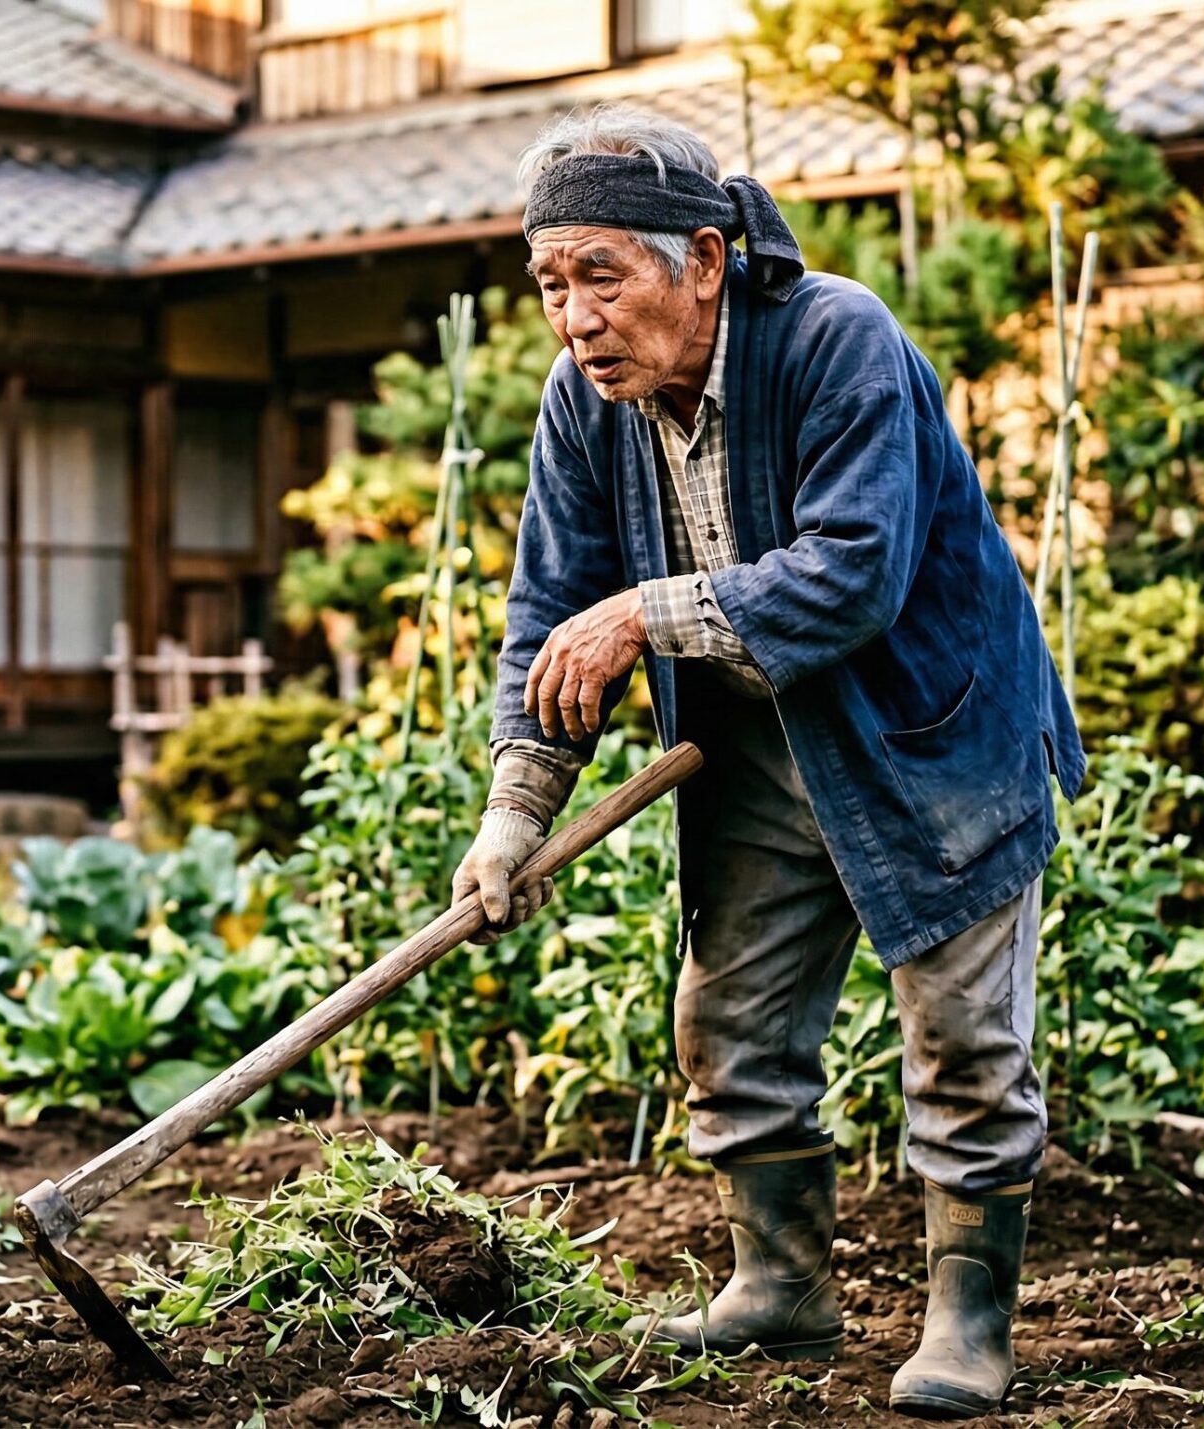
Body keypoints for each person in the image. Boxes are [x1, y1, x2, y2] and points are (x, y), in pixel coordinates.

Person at [451, 104, 1084, 1420]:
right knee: (730, 1025)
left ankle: (969, 1320)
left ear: (703, 259)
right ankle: (780, 1283)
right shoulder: (588, 406)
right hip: (752, 744)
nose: (574, 318)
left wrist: (646, 615)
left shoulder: (837, 338)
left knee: (964, 1041)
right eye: (552, 284)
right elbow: (549, 612)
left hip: (929, 733)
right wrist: (515, 813)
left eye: (600, 276)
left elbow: (855, 573)